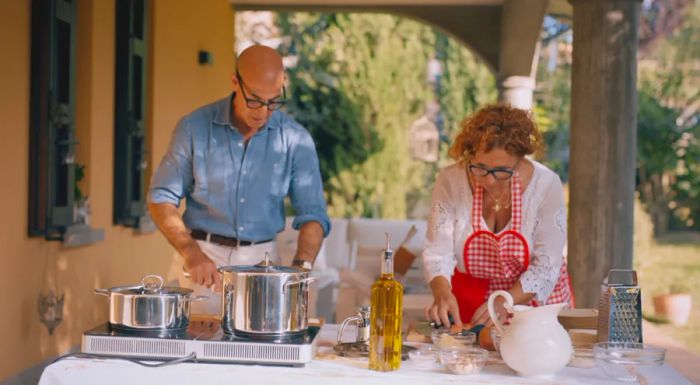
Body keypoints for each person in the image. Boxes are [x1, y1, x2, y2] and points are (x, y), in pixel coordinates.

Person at [148, 45, 330, 314]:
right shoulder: (194, 128)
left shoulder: (295, 140)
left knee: (263, 352)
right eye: (255, 100)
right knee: (193, 350)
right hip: (201, 259)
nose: (263, 112)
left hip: (263, 262)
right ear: (235, 82)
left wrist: (300, 271)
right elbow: (161, 199)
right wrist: (191, 252)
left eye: (273, 101)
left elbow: (314, 215)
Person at [423, 104, 572, 329]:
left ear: (521, 160)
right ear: (469, 155)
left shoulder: (545, 186)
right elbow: (438, 252)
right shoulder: (451, 181)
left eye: (502, 171)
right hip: (475, 306)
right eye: (480, 168)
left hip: (533, 305)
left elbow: (546, 266)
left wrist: (505, 300)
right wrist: (442, 291)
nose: (490, 180)